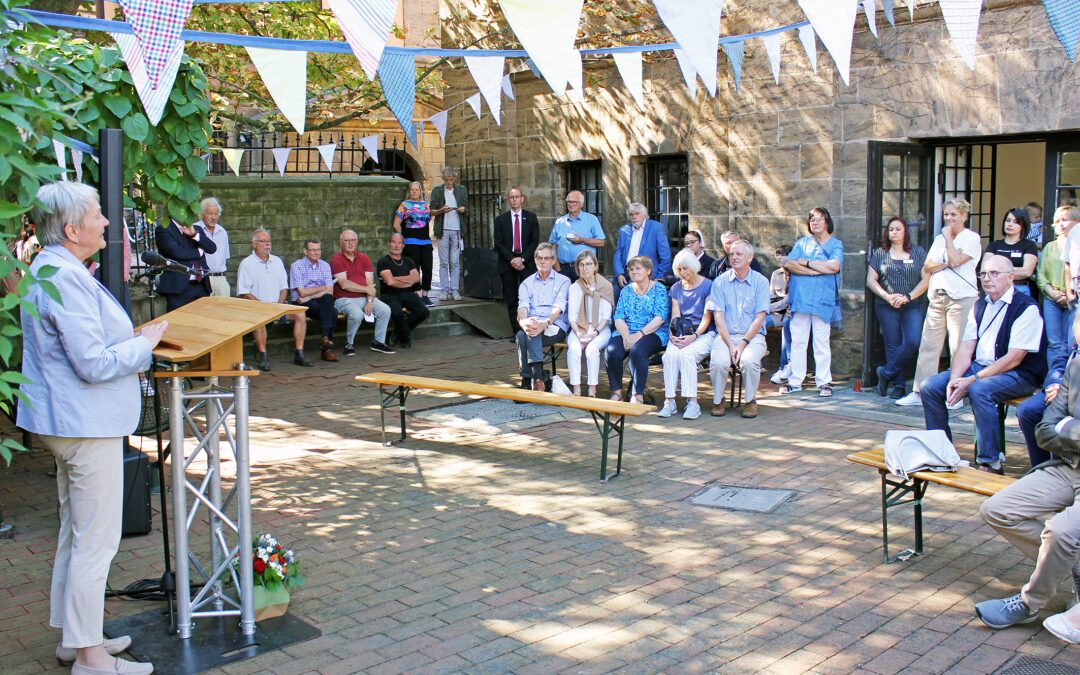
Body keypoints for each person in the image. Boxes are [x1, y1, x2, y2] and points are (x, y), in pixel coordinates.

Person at [19, 181, 166, 675]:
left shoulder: (54, 268)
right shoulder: (60, 275)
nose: (108, 222)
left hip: (70, 422)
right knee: (95, 540)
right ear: (71, 229)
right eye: (100, 214)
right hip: (86, 425)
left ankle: (72, 637)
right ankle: (90, 657)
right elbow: (91, 362)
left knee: (75, 531)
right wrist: (145, 343)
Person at [974, 312, 1080, 632]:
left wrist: (1069, 427)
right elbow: (1045, 430)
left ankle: (1029, 603)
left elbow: (1060, 426)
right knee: (997, 509)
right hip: (1072, 464)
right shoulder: (1076, 365)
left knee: (1061, 532)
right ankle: (1074, 570)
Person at [922, 255, 1045, 473]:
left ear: (1010, 277)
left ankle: (990, 462)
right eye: (983, 274)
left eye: (994, 273)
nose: (987, 278)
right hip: (980, 368)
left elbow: (1014, 358)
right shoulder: (980, 305)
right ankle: (941, 452)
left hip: (1019, 373)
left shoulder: (1027, 308)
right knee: (930, 387)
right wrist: (954, 381)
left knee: (980, 389)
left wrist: (972, 379)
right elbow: (966, 348)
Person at [896, 199, 983, 407]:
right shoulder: (938, 239)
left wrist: (948, 241)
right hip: (938, 296)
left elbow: (957, 261)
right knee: (929, 345)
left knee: (957, 346)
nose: (949, 219)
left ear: (964, 216)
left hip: (961, 298)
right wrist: (945, 261)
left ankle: (956, 393)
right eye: (946, 215)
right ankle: (919, 392)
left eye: (954, 214)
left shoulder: (971, 238)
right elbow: (927, 266)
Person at [781, 207, 844, 397]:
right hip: (801, 298)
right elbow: (790, 263)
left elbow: (834, 266)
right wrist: (814, 272)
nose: (814, 223)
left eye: (818, 219)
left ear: (827, 222)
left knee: (821, 342)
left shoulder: (835, 244)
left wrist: (807, 263)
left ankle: (824, 381)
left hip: (822, 300)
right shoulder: (802, 243)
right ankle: (795, 380)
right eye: (811, 220)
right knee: (798, 341)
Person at [867, 216, 929, 398]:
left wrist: (908, 297)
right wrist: (888, 297)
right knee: (892, 344)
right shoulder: (880, 253)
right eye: (891, 229)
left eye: (898, 229)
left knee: (912, 341)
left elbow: (926, 280)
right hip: (887, 305)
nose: (894, 232)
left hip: (912, 303)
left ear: (905, 232)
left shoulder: (918, 252)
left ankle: (886, 373)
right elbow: (870, 280)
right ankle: (899, 385)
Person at [707, 240, 769, 419]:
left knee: (749, 361)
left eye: (739, 254)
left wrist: (742, 344)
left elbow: (760, 318)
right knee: (718, 362)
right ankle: (719, 400)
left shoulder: (761, 282)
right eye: (731, 254)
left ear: (750, 257)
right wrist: (730, 343)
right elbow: (718, 317)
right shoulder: (720, 282)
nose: (734, 257)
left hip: (753, 337)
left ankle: (750, 401)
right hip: (726, 335)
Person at [236, 228, 312, 370]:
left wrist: (279, 305)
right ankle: (263, 355)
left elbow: (284, 287)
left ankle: (299, 353)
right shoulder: (246, 264)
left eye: (269, 241)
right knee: (259, 320)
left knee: (300, 314)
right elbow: (244, 292)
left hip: (278, 306)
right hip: (258, 308)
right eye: (263, 241)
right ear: (254, 244)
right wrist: (264, 307)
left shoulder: (277, 261)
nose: (267, 244)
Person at [657, 249, 713, 420]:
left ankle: (693, 402)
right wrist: (672, 335)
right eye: (679, 269)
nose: (682, 273)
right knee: (670, 356)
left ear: (693, 267)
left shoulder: (708, 285)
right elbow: (675, 315)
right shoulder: (676, 288)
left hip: (703, 333)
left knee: (687, 356)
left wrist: (694, 336)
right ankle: (670, 400)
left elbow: (707, 316)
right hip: (681, 331)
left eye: (685, 269)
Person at [605, 255, 669, 403]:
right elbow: (619, 317)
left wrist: (637, 336)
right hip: (627, 331)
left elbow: (659, 318)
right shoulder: (626, 291)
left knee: (637, 350)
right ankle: (617, 392)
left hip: (653, 332)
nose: (634, 272)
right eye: (631, 269)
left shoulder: (658, 288)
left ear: (648, 270)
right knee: (612, 350)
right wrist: (627, 337)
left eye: (638, 268)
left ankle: (637, 394)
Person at [515, 242, 570, 392]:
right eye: (539, 258)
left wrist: (544, 323)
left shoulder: (563, 281)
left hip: (555, 325)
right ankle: (536, 378)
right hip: (533, 324)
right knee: (522, 333)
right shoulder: (527, 283)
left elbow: (558, 308)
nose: (542, 261)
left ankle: (532, 379)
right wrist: (524, 322)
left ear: (553, 261)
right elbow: (522, 307)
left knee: (527, 336)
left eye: (546, 258)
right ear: (535, 260)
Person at [1017, 329, 1076, 467]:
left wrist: (1066, 390)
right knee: (1026, 410)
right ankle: (1040, 468)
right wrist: (1055, 383)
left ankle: (1061, 469)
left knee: (1051, 417)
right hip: (1060, 385)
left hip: (1074, 391)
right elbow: (1062, 358)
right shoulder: (1075, 316)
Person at [330, 229, 394, 355]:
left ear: (357, 242)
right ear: (340, 242)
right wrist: (367, 289)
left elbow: (370, 282)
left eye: (353, 240)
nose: (350, 243)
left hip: (365, 298)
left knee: (385, 310)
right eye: (347, 240)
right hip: (344, 299)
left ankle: (379, 342)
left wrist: (370, 300)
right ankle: (349, 344)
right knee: (357, 314)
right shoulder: (336, 260)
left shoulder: (364, 258)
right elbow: (344, 284)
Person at [566, 250, 613, 397]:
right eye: (581, 265)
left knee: (591, 349)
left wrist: (595, 332)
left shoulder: (605, 286)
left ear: (595, 266)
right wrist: (579, 333)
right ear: (577, 268)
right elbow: (572, 317)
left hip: (600, 328)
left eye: (588, 264)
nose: (585, 268)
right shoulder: (574, 288)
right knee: (574, 349)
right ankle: (577, 389)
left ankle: (592, 389)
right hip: (579, 327)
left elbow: (606, 317)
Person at [1037, 205, 1080, 368]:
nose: (1061, 224)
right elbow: (1040, 274)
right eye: (1058, 220)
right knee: (1054, 342)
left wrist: (1069, 293)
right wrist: (1051, 292)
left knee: (1069, 342)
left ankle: (1066, 380)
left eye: (1065, 220)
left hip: (1072, 298)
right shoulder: (1050, 247)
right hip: (1052, 299)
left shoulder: (1076, 244)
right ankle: (1053, 379)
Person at [493, 187, 539, 333]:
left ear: (522, 199)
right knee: (512, 298)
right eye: (512, 197)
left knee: (529, 297)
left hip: (527, 263)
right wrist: (512, 259)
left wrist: (523, 259)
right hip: (508, 263)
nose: (514, 200)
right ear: (508, 200)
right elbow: (498, 243)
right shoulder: (500, 220)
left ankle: (531, 328)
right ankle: (517, 331)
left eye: (517, 197)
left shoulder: (531, 218)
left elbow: (534, 241)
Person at [289, 238, 338, 362]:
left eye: (318, 250)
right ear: (305, 251)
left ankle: (325, 338)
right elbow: (302, 292)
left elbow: (330, 291)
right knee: (333, 312)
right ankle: (326, 349)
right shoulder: (297, 266)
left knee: (328, 300)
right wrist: (322, 288)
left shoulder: (325, 265)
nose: (316, 253)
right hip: (301, 303)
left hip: (314, 300)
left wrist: (311, 295)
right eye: (313, 250)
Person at [377, 232, 430, 348]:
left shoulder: (408, 261)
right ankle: (405, 338)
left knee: (424, 312)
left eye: (399, 243)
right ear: (389, 244)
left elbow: (416, 278)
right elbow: (390, 282)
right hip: (389, 295)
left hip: (408, 294)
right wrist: (407, 281)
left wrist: (397, 279)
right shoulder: (383, 261)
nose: (396, 245)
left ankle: (397, 331)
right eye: (393, 242)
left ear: (403, 245)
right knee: (397, 313)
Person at [154, 217, 217, 312]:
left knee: (203, 321)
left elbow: (212, 248)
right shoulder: (163, 229)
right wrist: (199, 252)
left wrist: (194, 235)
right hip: (179, 288)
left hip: (201, 285)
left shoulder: (196, 229)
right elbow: (176, 252)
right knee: (181, 322)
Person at [612, 203, 671, 303]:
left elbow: (666, 256)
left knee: (632, 300)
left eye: (637, 213)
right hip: (626, 272)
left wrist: (658, 277)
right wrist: (619, 274)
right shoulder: (624, 230)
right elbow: (618, 253)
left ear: (644, 215)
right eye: (631, 214)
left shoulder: (656, 228)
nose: (634, 217)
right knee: (613, 298)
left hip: (645, 274)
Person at [429, 166, 468, 301]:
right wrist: (441, 210)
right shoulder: (437, 191)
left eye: (450, 180)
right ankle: (444, 290)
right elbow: (431, 211)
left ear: (454, 178)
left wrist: (462, 209)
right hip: (443, 229)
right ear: (443, 179)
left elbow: (466, 207)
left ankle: (455, 289)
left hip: (457, 229)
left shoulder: (462, 190)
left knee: (455, 261)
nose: (448, 182)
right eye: (446, 180)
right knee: (443, 262)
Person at [393, 181, 434, 306]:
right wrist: (403, 238)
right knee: (414, 269)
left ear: (420, 191)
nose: (415, 191)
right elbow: (396, 224)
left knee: (428, 268)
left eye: (417, 189)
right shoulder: (405, 205)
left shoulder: (425, 205)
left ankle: (425, 295)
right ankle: (417, 294)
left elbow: (427, 221)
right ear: (409, 191)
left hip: (425, 241)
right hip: (411, 241)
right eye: (412, 189)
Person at [550, 190, 605, 283]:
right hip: (563, 269)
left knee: (584, 296)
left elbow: (601, 242)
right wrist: (557, 267)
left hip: (584, 268)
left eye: (574, 202)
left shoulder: (591, 219)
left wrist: (582, 240)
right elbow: (553, 245)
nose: (571, 204)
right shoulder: (559, 222)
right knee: (564, 297)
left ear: (581, 204)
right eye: (569, 202)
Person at [984, 208, 1037, 295]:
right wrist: (1012, 271)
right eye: (1008, 220)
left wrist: (997, 272)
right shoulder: (994, 245)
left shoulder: (1029, 245)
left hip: (1019, 289)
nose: (1010, 224)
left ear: (1023, 225)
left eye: (1015, 222)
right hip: (996, 289)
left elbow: (1026, 272)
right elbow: (986, 269)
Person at [194, 197, 230, 297]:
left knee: (224, 310)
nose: (213, 217)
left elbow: (225, 257)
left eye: (216, 214)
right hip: (203, 279)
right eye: (210, 213)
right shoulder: (194, 230)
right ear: (201, 214)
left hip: (220, 278)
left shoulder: (222, 232)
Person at [768, 245, 794, 385]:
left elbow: (787, 300)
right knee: (757, 322)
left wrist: (773, 306)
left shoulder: (795, 273)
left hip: (788, 314)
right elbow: (770, 297)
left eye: (783, 254)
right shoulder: (775, 274)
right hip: (774, 313)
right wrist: (770, 308)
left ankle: (785, 366)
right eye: (777, 254)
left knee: (787, 327)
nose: (779, 257)